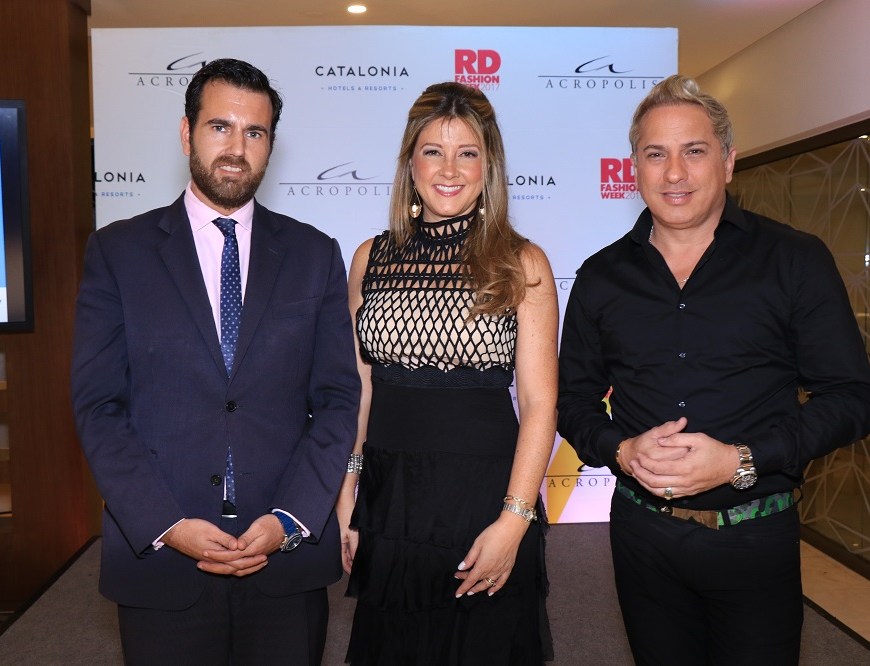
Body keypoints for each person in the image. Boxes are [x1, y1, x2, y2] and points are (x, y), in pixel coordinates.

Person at [557, 74, 870, 665]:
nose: (674, 173)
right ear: (634, 167)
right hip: (641, 536)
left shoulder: (794, 260)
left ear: (727, 162)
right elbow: (572, 398)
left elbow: (852, 397)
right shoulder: (600, 276)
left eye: (694, 151)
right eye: (656, 154)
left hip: (756, 537)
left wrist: (741, 458)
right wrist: (620, 449)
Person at [71, 58, 360, 665]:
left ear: (271, 145)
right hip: (160, 557)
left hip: (283, 557)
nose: (236, 148)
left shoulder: (314, 254)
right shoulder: (118, 251)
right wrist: (166, 523)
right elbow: (99, 406)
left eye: (255, 132)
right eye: (220, 127)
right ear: (187, 133)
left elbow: (337, 401)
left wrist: (289, 519)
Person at [336, 81, 558, 665]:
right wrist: (348, 491)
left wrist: (514, 521)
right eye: (433, 151)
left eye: (468, 153)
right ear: (410, 162)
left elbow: (540, 403)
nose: (449, 169)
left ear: (490, 166)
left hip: (486, 500)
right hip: (390, 500)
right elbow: (360, 387)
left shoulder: (522, 262)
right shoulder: (370, 258)